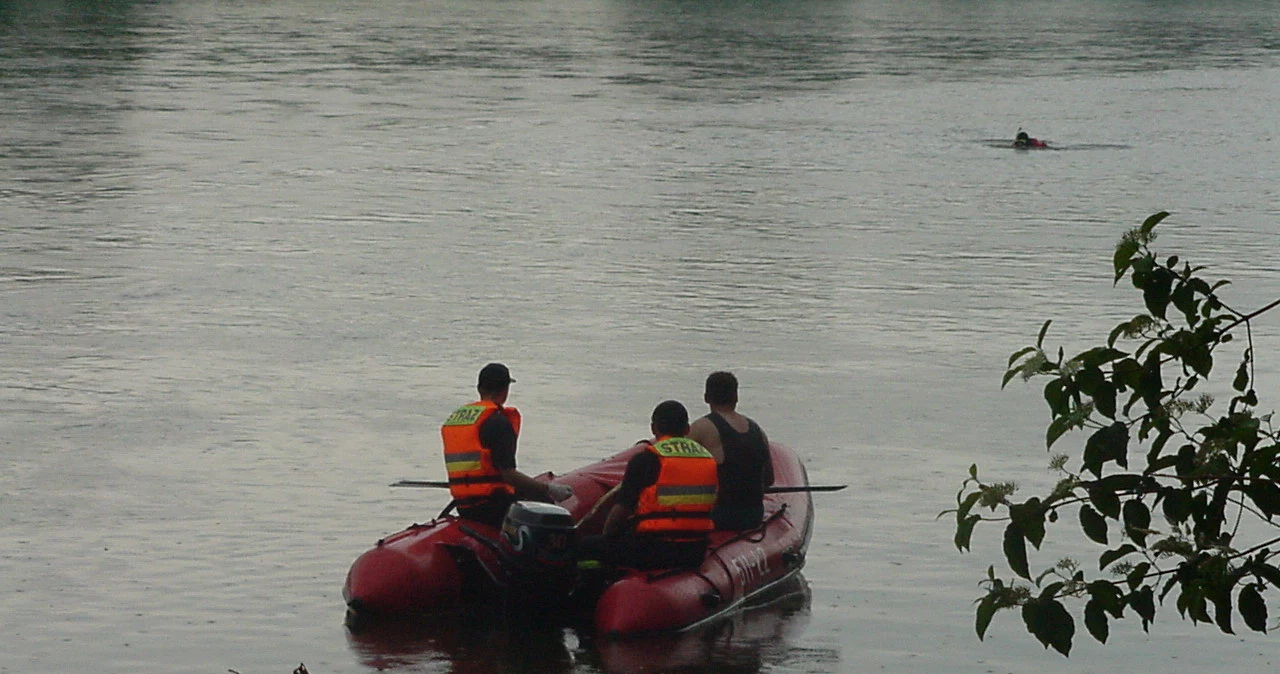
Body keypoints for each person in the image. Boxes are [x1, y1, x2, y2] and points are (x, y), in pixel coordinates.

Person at [583, 400, 719, 570]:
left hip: (653, 549)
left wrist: (606, 538)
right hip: (695, 551)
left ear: (654, 429)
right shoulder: (707, 459)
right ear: (687, 429)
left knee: (580, 547)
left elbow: (621, 511)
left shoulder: (647, 460)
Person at [440, 363, 572, 527]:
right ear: (505, 390)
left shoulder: (457, 419)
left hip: (464, 506)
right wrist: (548, 489)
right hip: (493, 506)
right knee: (548, 508)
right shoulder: (498, 421)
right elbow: (508, 474)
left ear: (479, 388)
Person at [687, 371, 774, 531]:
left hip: (720, 516)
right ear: (736, 397)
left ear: (706, 397)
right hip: (754, 514)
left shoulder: (701, 428)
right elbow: (768, 480)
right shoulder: (757, 430)